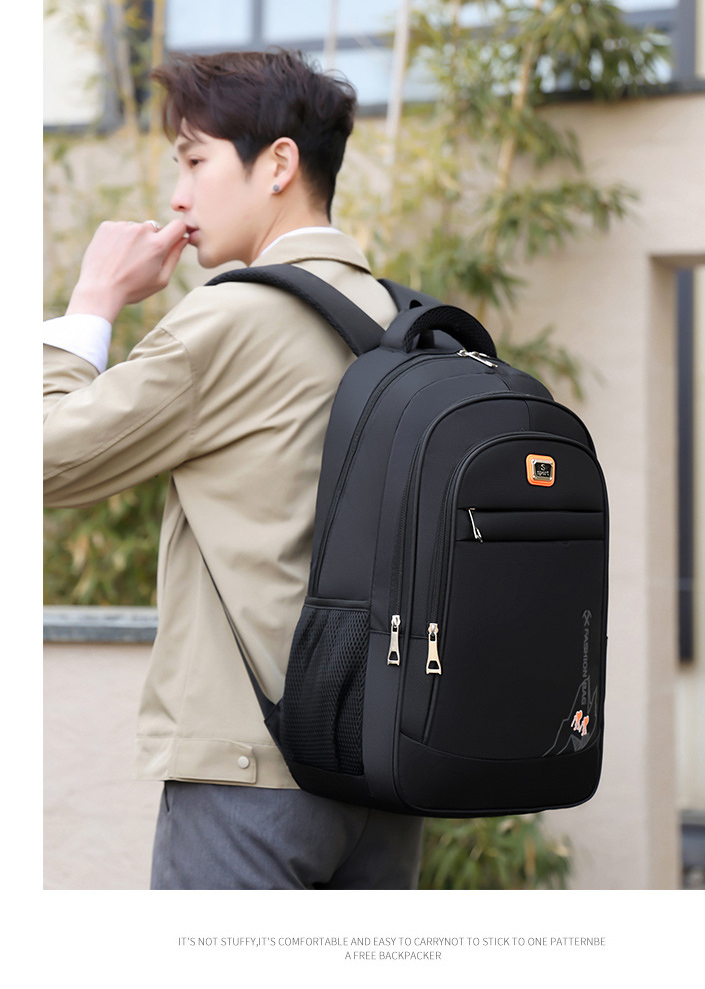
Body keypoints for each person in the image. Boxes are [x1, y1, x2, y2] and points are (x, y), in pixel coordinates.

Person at [43, 49, 424, 890]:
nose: (177, 194)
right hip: (382, 775)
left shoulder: (234, 317)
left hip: (249, 777)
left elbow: (41, 460)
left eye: (193, 160)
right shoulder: (399, 319)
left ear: (278, 164)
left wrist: (92, 303)